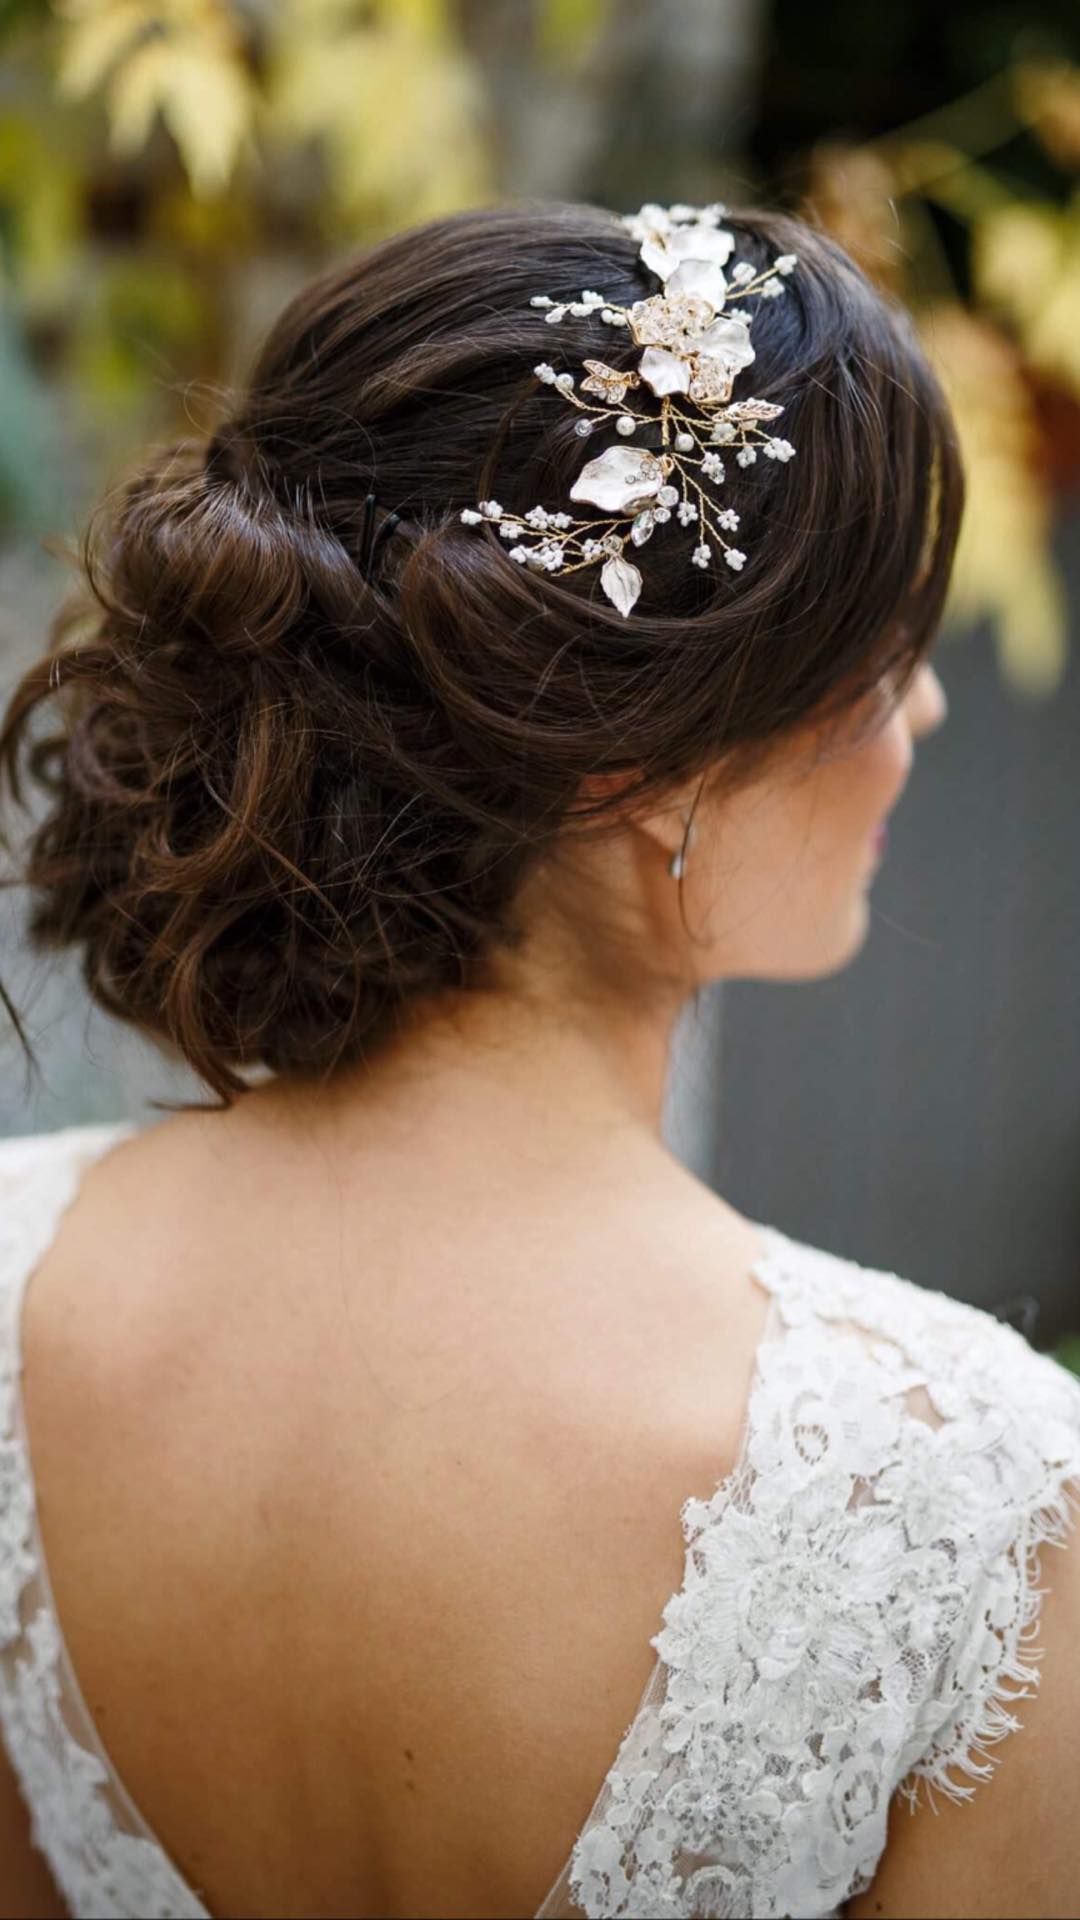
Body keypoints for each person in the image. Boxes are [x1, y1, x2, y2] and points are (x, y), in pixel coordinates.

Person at [0, 197, 1076, 1920]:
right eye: (876, 664)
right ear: (635, 762)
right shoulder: (957, 1491)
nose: (928, 716)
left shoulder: (14, 1285)